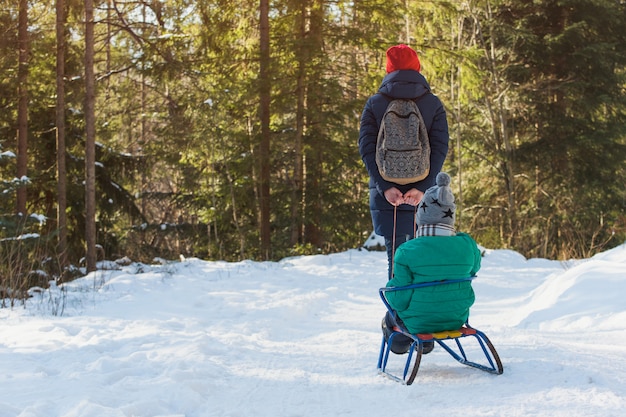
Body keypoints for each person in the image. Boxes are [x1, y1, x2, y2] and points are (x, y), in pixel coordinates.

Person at [358, 44, 450, 280]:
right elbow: (439, 149)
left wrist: (385, 186)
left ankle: (397, 314)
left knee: (397, 258)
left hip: (388, 195)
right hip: (423, 196)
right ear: (417, 67)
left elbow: (367, 149)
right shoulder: (432, 103)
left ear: (389, 70)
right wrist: (423, 188)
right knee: (425, 260)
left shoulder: (375, 103)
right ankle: (422, 313)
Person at [381, 172, 482, 354]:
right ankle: (425, 344)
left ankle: (400, 346)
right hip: (456, 317)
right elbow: (473, 270)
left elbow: (399, 298)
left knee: (391, 316)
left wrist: (389, 290)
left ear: (421, 216)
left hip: (419, 321)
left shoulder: (407, 250)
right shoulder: (467, 245)